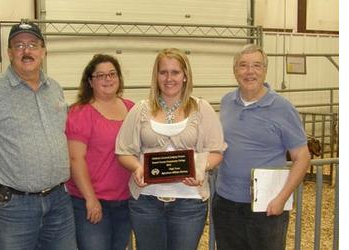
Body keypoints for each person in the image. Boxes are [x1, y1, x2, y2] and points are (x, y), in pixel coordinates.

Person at [0, 22, 77, 250]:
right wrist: (0, 174)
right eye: (19, 45)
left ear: (43, 51)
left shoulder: (54, 88)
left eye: (33, 44)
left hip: (58, 202)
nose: (27, 51)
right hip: (12, 208)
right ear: (9, 53)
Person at [115, 48, 227, 250]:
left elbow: (216, 151)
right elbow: (123, 152)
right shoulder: (140, 109)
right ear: (156, 76)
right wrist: (136, 168)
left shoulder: (202, 108)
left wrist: (200, 169)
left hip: (189, 202)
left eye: (175, 72)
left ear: (185, 76)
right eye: (163, 72)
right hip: (146, 201)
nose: (169, 78)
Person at [212, 44, 311, 250]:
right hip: (227, 202)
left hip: (267, 205)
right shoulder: (227, 102)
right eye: (243, 66)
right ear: (235, 71)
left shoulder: (283, 108)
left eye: (256, 65)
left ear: (265, 70)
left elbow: (302, 157)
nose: (250, 72)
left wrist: (281, 198)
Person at [65, 54, 134, 250]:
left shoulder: (132, 109)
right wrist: (90, 199)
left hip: (125, 200)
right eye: (100, 75)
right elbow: (75, 159)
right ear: (90, 81)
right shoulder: (80, 113)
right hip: (92, 202)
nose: (108, 79)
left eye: (112, 74)